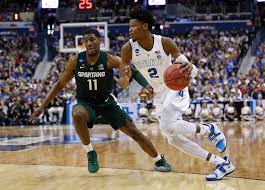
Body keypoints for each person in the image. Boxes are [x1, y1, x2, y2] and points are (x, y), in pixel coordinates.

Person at [30, 28, 171, 173]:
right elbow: (59, 84)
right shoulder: (75, 61)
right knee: (77, 114)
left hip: (107, 102)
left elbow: (132, 70)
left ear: (99, 41)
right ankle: (90, 152)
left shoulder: (109, 59)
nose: (89, 43)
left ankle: (158, 160)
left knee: (134, 132)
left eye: (92, 39)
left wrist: (146, 85)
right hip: (86, 102)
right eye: (85, 40)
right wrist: (43, 106)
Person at [119, 5, 235, 181]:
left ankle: (208, 129)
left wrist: (191, 67)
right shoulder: (127, 49)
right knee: (173, 139)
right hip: (159, 94)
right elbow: (123, 82)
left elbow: (192, 71)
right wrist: (125, 79)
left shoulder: (165, 42)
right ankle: (221, 163)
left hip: (175, 87)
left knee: (168, 126)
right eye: (129, 26)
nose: (130, 29)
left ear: (145, 26)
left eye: (133, 26)